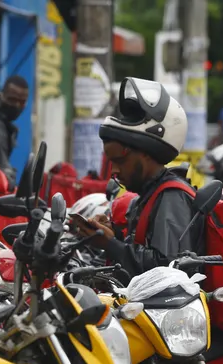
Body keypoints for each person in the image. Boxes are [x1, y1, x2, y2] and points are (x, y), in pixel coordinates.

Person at [75, 77, 201, 277]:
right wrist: (114, 233)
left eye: (120, 160)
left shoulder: (172, 197)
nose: (114, 171)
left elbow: (168, 269)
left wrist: (111, 244)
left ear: (146, 153)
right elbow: (144, 251)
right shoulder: (147, 196)